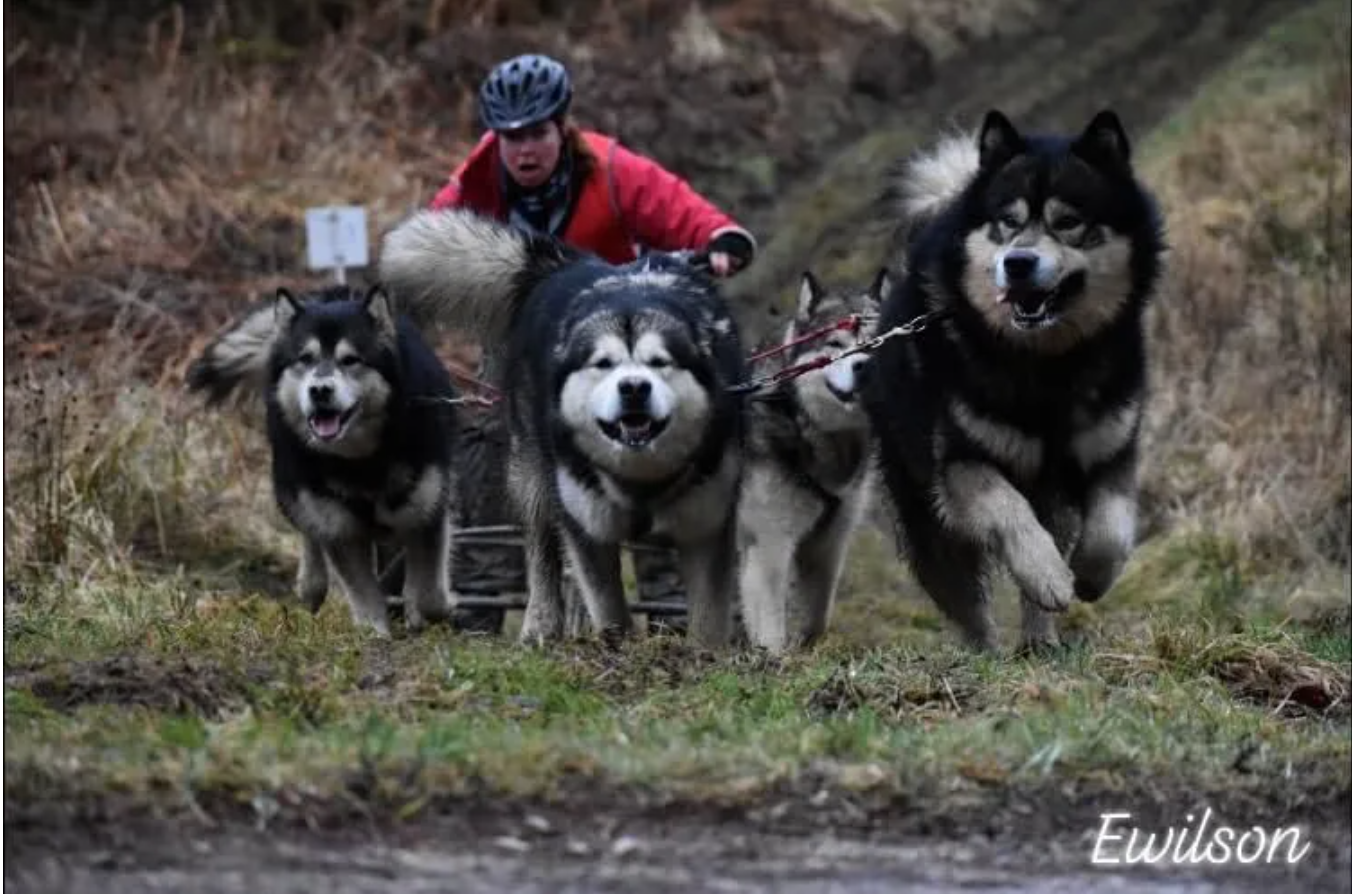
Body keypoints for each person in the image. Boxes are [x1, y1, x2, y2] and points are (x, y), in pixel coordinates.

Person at [429, 52, 757, 635]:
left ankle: (671, 597)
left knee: (662, 434)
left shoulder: (608, 168)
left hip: (613, 335)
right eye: (510, 138)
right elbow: (433, 245)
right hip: (518, 340)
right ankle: (482, 590)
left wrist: (719, 239)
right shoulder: (475, 183)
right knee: (483, 440)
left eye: (535, 134)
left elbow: (679, 208)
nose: (523, 149)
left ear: (562, 127)